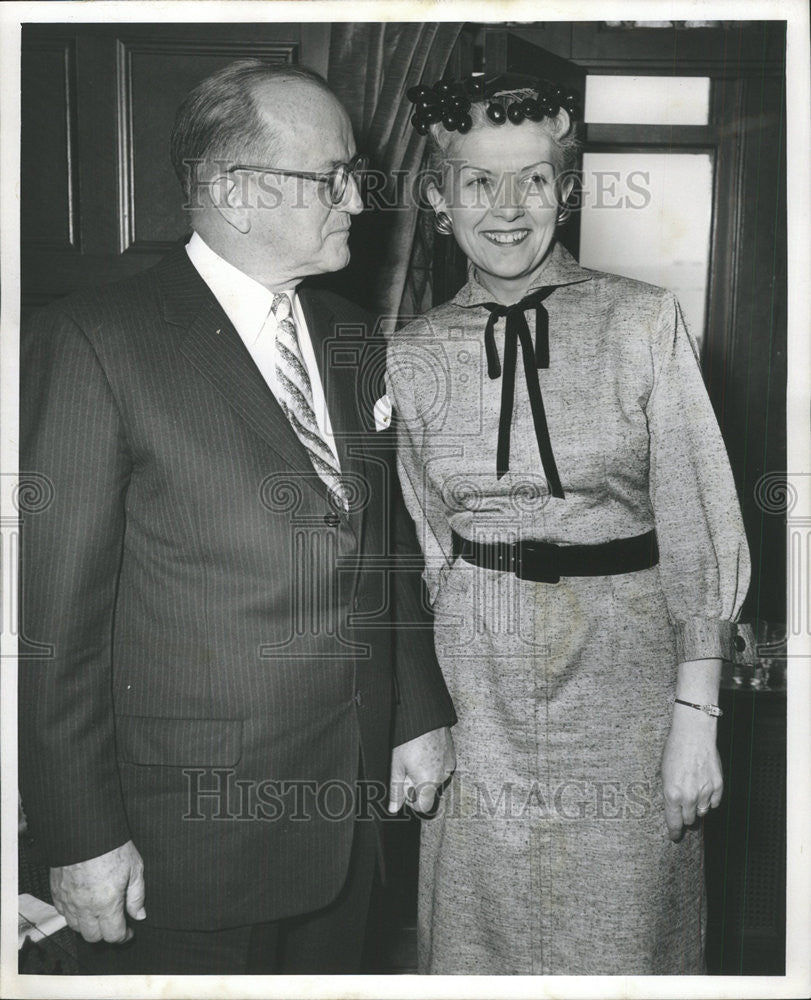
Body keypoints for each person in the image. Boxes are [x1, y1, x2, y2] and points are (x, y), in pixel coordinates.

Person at [18, 60, 456, 975]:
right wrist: (78, 836)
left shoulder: (346, 335)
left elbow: (381, 550)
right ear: (234, 192)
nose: (356, 201)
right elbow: (54, 622)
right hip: (187, 838)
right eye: (329, 177)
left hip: (342, 813)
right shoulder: (98, 339)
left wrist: (415, 711)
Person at [386, 73, 752, 974]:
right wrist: (424, 712)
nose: (506, 208)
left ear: (566, 190)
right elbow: (425, 544)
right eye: (477, 181)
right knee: (477, 942)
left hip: (625, 681)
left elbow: (699, 528)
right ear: (438, 198)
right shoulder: (410, 351)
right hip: (479, 686)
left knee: (625, 940)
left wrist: (693, 719)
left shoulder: (641, 322)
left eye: (534, 180)